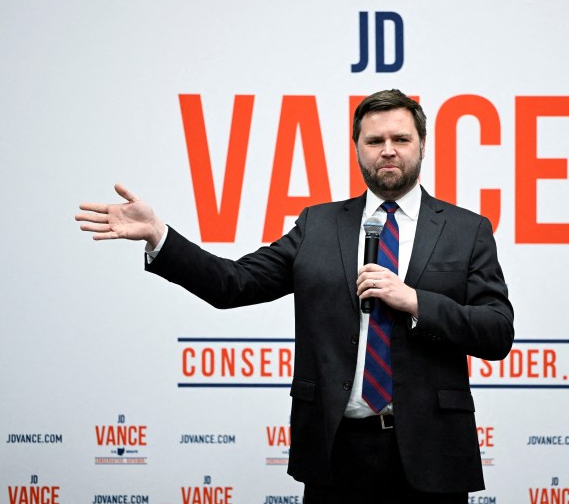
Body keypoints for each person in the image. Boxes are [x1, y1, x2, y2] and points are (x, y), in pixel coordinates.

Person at [76, 89, 514, 503]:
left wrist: (416, 301)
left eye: (401, 138)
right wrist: (160, 237)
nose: (388, 149)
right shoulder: (318, 226)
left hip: (433, 451)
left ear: (422, 144)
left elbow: (497, 331)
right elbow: (234, 284)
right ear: (357, 147)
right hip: (337, 449)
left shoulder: (466, 230)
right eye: (374, 139)